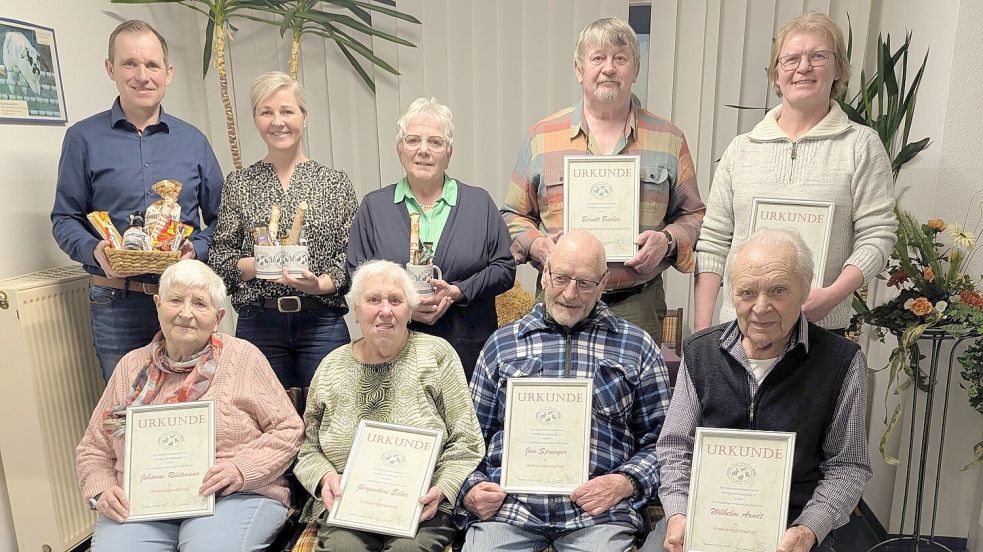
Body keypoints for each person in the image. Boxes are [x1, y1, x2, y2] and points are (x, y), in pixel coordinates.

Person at [650, 229, 872, 552]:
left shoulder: (841, 364)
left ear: (804, 290)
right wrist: (678, 514)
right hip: (705, 519)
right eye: (747, 292)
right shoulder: (700, 353)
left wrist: (809, 528)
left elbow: (848, 467)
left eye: (778, 290)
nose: (761, 307)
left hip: (791, 525)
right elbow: (674, 447)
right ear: (732, 296)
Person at [457, 230, 671, 552]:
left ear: (602, 285)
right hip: (509, 510)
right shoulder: (502, 344)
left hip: (598, 514)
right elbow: (468, 439)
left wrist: (625, 483)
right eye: (561, 278)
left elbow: (663, 442)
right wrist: (471, 488)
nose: (570, 293)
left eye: (584, 283)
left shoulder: (637, 346)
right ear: (544, 275)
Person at [500, 17, 705, 342]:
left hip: (637, 305)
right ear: (579, 70)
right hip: (559, 302)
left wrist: (666, 242)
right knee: (560, 393)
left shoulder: (669, 139)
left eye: (620, 59)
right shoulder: (542, 136)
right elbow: (512, 214)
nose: (609, 68)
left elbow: (694, 216)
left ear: (635, 70)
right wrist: (538, 246)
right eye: (598, 58)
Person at [75, 260, 304, 551]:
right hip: (145, 502)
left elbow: (289, 429)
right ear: (157, 304)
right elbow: (94, 447)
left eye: (199, 303)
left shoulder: (244, 357)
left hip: (233, 495)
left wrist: (240, 468)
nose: (186, 313)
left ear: (218, 316)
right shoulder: (130, 366)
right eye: (175, 300)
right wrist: (102, 491)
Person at [693, 11, 897, 334]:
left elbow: (877, 236)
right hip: (737, 332)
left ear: (838, 69)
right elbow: (713, 242)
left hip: (819, 332)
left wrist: (831, 296)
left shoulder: (861, 146)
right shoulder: (741, 150)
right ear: (776, 75)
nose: (803, 67)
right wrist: (703, 330)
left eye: (817, 56)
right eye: (791, 59)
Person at [51, 20, 224, 381]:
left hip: (186, 300)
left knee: (196, 402)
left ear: (168, 72)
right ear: (110, 68)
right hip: (117, 302)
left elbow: (223, 219)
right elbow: (64, 218)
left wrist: (198, 248)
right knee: (127, 409)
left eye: (152, 65)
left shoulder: (194, 141)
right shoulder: (83, 139)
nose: (142, 75)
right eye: (130, 63)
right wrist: (95, 250)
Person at [295, 259, 484, 552]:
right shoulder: (331, 365)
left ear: (409, 310)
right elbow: (308, 448)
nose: (385, 310)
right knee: (346, 549)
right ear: (356, 310)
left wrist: (442, 489)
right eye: (373, 300)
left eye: (395, 300)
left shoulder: (436, 355)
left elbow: (467, 440)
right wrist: (325, 478)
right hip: (349, 503)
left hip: (421, 504)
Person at [347, 97, 515, 380]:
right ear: (399, 149)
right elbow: (355, 275)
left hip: (468, 351)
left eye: (435, 142)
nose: (423, 150)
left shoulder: (479, 204)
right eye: (413, 141)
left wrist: (458, 291)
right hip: (393, 353)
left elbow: (505, 269)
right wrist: (406, 307)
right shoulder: (374, 208)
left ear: (448, 152)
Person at [208, 71, 357, 388]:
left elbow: (352, 256)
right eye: (267, 112)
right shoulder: (239, 184)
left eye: (287, 111)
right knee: (267, 423)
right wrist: (257, 266)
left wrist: (320, 284)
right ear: (256, 119)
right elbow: (219, 259)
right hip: (259, 323)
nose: (278, 121)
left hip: (322, 322)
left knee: (330, 420)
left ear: (304, 116)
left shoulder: (335, 183)